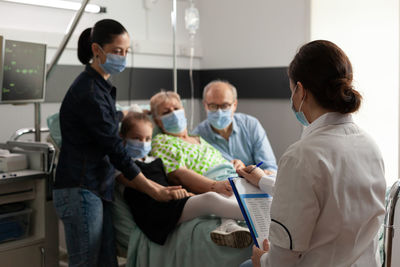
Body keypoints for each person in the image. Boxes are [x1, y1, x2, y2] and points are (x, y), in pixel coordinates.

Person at [237, 40, 386, 267]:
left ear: (300, 90)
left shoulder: (302, 155)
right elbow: (327, 198)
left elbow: (281, 261)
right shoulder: (369, 145)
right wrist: (263, 181)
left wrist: (261, 260)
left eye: (291, 91)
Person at [53, 19, 181, 267]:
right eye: (116, 51)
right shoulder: (89, 92)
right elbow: (114, 149)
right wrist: (154, 189)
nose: (122, 57)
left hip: (96, 188)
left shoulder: (100, 88)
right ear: (96, 50)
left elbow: (104, 122)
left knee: (106, 261)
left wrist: (129, 114)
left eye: (126, 51)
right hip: (81, 188)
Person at [116, 111, 252, 248]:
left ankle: (234, 224)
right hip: (155, 214)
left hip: (171, 204)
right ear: (122, 138)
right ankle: (257, 215)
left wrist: (185, 194)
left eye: (147, 139)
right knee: (210, 199)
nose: (143, 143)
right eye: (137, 138)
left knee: (215, 197)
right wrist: (166, 192)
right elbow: (138, 181)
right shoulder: (121, 167)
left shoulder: (155, 160)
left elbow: (168, 183)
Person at [149, 91, 254, 248]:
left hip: (229, 173)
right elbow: (178, 174)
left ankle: (232, 221)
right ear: (158, 121)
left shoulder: (199, 139)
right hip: (212, 179)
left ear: (183, 111)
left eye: (176, 108)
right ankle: (231, 223)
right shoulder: (162, 141)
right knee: (231, 192)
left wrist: (237, 164)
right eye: (166, 112)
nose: (174, 114)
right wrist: (213, 185)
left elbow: (219, 160)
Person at [192, 80, 277, 173]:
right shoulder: (197, 138)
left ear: (234, 105)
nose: (219, 112)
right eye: (213, 106)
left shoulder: (251, 125)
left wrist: (247, 171)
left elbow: (270, 168)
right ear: (205, 105)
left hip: (256, 186)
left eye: (225, 106)